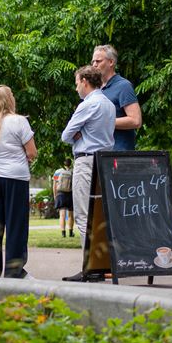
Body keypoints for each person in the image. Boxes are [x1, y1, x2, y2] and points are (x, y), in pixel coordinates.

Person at [60, 65, 115, 282]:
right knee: (101, 216)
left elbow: (66, 135)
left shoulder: (87, 105)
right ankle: (102, 265)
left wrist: (79, 134)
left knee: (83, 215)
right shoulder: (109, 105)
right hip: (104, 162)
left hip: (86, 161)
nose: (76, 89)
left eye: (76, 83)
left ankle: (89, 268)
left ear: (84, 81)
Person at [0, 85, 37, 279]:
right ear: (7, 100)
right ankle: (14, 272)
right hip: (15, 178)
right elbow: (32, 152)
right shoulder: (19, 122)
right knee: (16, 225)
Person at [92, 45, 142, 150]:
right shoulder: (95, 89)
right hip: (98, 154)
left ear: (111, 62)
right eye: (93, 62)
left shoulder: (123, 86)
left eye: (98, 61)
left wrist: (104, 122)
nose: (94, 65)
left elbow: (136, 121)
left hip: (119, 155)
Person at [52, 158, 74, 238]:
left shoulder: (58, 171)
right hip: (70, 194)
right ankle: (71, 232)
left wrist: (55, 195)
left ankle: (63, 233)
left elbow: (54, 185)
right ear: (70, 164)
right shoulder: (73, 171)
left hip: (60, 194)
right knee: (71, 215)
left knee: (62, 215)